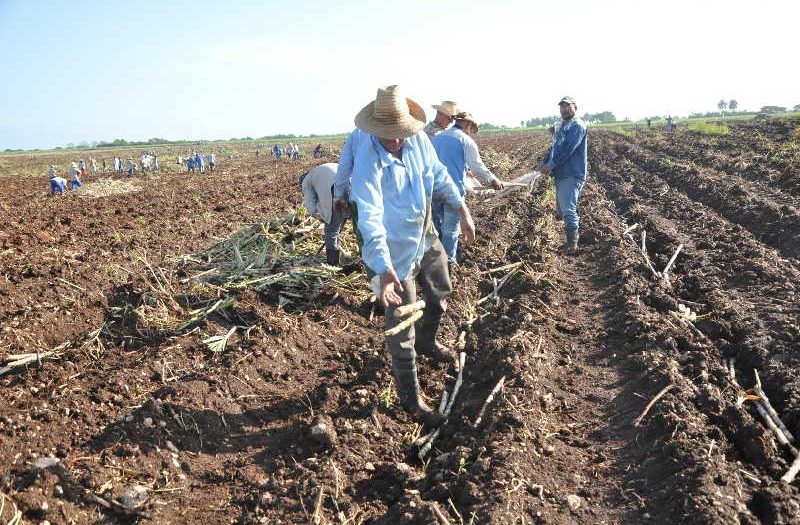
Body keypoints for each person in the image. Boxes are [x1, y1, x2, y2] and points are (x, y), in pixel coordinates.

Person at [350, 85, 476, 426]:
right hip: (393, 254)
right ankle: (411, 399)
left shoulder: (419, 140)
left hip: (425, 237)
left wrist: (461, 208)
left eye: (398, 135)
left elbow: (438, 175)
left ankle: (429, 342)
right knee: (400, 323)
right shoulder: (368, 160)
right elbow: (370, 217)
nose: (394, 142)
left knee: (439, 295)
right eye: (387, 137)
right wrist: (382, 268)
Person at [431, 111, 503, 265]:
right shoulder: (465, 140)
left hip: (432, 190)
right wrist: (493, 179)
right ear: (468, 124)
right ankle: (448, 265)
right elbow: (477, 166)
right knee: (450, 231)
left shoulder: (437, 138)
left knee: (437, 228)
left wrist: (463, 168)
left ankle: (434, 264)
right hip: (453, 192)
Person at [536, 96, 588, 254]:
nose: (564, 109)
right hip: (561, 173)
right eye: (562, 107)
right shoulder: (563, 126)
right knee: (562, 210)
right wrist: (544, 163)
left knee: (568, 210)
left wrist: (550, 165)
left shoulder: (577, 126)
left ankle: (572, 246)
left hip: (572, 173)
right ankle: (570, 242)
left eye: (567, 106)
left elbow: (567, 149)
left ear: (575, 107)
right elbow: (555, 149)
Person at [300, 163, 347, 265]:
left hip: (334, 189)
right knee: (360, 227)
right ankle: (366, 258)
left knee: (331, 231)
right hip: (352, 183)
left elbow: (311, 208)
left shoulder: (306, 182)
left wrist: (323, 219)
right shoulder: (318, 171)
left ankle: (332, 264)